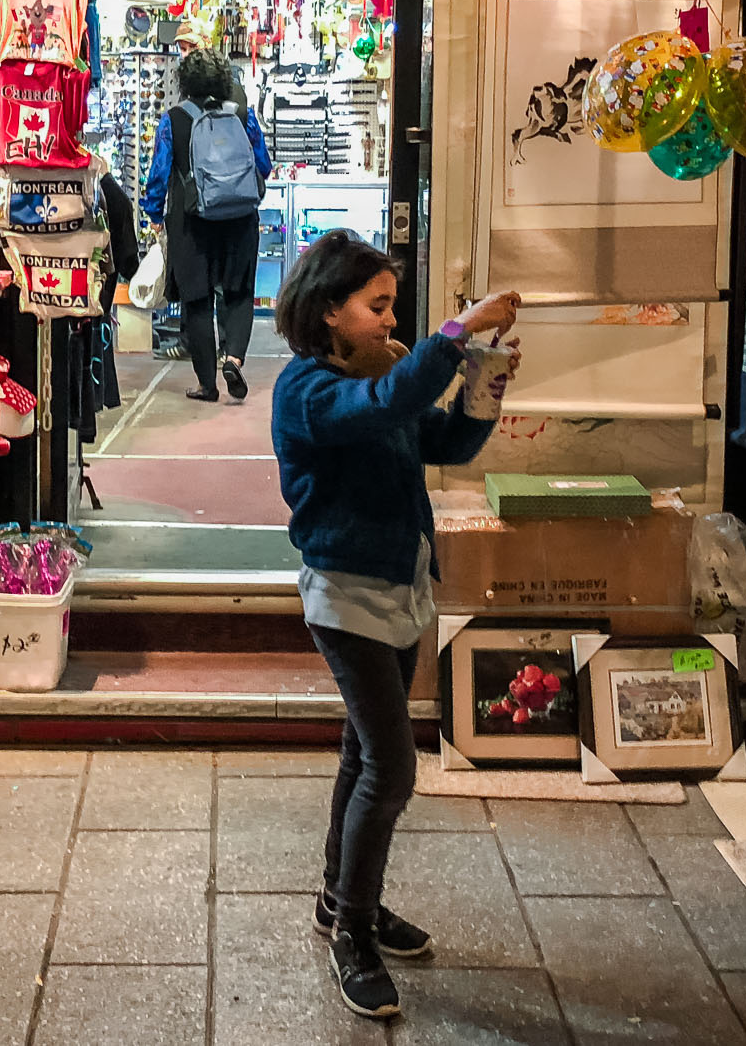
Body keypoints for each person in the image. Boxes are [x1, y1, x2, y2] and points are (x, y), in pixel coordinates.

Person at [271, 231, 521, 1019]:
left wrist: (484, 384)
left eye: (392, 306)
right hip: (346, 594)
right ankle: (354, 932)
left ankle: (340, 897)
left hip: (404, 582)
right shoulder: (306, 390)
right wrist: (454, 337)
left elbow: (441, 439)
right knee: (391, 766)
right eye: (375, 306)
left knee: (361, 750)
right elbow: (385, 406)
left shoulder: (383, 371)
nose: (388, 321)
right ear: (328, 312)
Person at [143, 45, 272, 403]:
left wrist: (153, 214)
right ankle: (232, 357)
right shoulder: (242, 115)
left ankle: (207, 384)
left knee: (197, 300)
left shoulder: (173, 120)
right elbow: (263, 165)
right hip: (240, 216)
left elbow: (159, 173)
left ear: (185, 82)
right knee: (239, 291)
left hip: (191, 220)